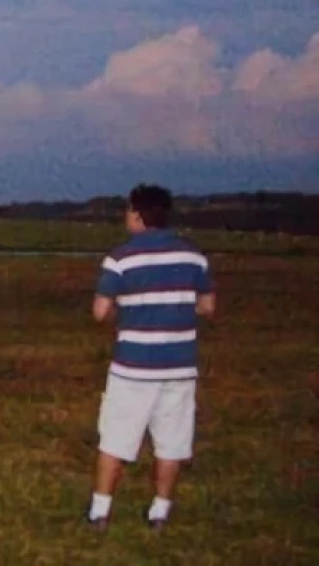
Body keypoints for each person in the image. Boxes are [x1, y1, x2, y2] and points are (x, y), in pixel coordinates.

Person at [87, 184, 215, 532]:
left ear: (138, 214)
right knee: (171, 442)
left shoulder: (120, 258)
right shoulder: (193, 256)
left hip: (133, 366)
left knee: (115, 438)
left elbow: (100, 311)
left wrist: (124, 313)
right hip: (179, 366)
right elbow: (207, 306)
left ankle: (100, 511)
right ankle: (159, 512)